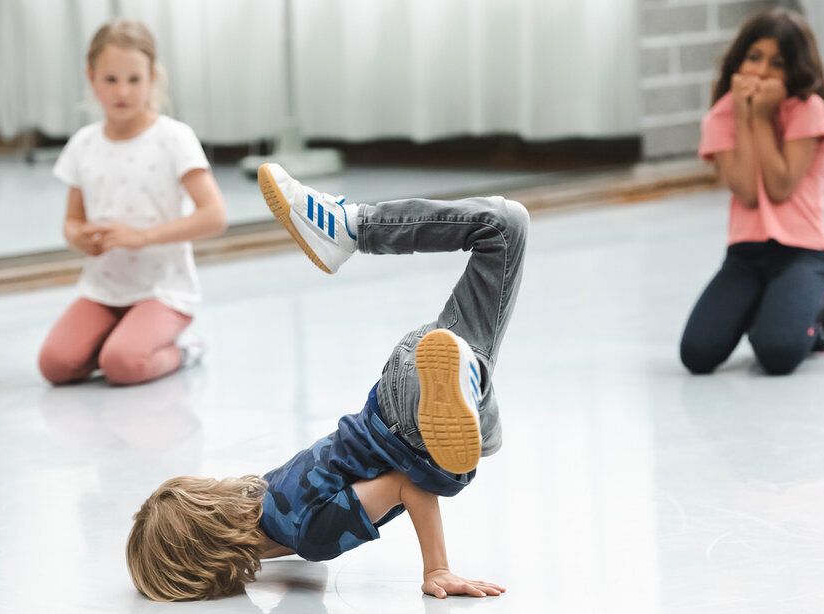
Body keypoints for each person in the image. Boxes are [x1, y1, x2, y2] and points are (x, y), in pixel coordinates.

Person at [126, 163, 529, 601]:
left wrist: (437, 569)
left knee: (473, 445)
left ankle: (467, 376)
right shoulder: (264, 493)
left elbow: (405, 485)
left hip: (415, 433)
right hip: (399, 381)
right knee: (505, 226)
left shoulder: (309, 535)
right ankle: (352, 227)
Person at [37, 20, 227, 386]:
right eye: (110, 80)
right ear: (91, 78)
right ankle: (121, 337)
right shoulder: (83, 144)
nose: (122, 91)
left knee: (122, 365)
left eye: (134, 80)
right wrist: (79, 238)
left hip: (163, 292)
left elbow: (214, 216)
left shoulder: (174, 138)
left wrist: (142, 237)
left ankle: (185, 348)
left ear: (152, 77)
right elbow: (72, 221)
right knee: (55, 365)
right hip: (103, 290)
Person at [680, 8, 824, 376]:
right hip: (745, 257)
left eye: (777, 63)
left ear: (795, 71)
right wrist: (744, 115)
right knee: (697, 353)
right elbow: (747, 193)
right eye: (754, 57)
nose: (761, 71)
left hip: (802, 255)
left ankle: (817, 314)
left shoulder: (807, 109)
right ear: (738, 61)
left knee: (777, 353)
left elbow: (779, 186)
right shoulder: (722, 115)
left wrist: (761, 118)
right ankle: (770, 302)